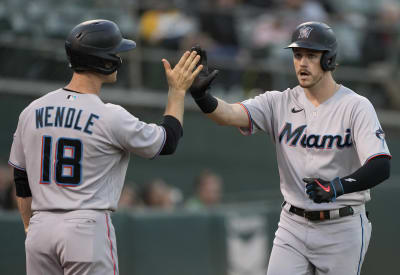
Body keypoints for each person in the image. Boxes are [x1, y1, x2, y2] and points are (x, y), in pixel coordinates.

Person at [189, 21, 391, 275]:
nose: (302, 62)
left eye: (311, 55)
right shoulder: (279, 102)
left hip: (342, 225)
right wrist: (202, 97)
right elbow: (229, 114)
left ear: (329, 60)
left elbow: (381, 165)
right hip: (292, 225)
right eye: (297, 55)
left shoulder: (355, 106)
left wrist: (337, 186)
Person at [8, 19, 202, 275]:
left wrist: (30, 228)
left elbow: (21, 179)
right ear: (104, 60)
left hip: (41, 227)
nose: (119, 56)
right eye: (116, 52)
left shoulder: (32, 111)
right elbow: (167, 141)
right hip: (85, 228)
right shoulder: (109, 116)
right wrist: (177, 91)